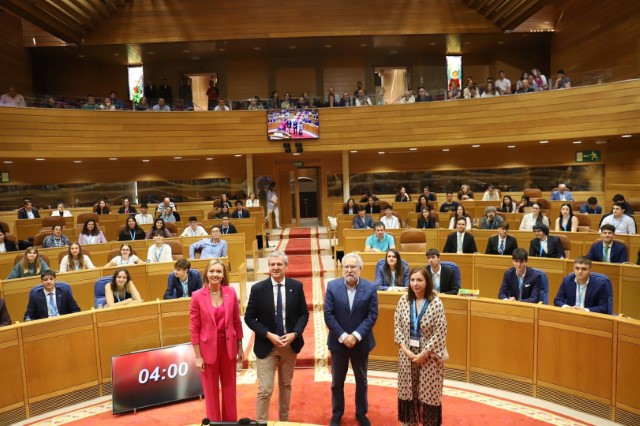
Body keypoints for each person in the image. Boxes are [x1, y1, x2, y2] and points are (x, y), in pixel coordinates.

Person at [244, 252, 309, 422]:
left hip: (290, 345)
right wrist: (268, 334)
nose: (275, 267)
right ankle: (261, 423)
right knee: (265, 389)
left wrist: (295, 334)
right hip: (267, 345)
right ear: (269, 267)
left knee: (286, 385)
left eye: (279, 264)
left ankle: (283, 422)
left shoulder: (296, 286)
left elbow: (303, 314)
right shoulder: (258, 289)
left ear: (286, 266)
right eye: (272, 264)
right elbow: (249, 317)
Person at [324, 253, 378, 426]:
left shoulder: (370, 288)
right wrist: (343, 336)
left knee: (361, 380)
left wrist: (355, 335)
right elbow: (328, 315)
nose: (349, 270)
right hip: (338, 343)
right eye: (346, 267)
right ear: (342, 268)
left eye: (353, 267)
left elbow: (372, 315)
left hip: (360, 343)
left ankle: (361, 412)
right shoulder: (332, 286)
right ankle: (337, 413)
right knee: (337, 382)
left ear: (360, 269)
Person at [190, 259, 244, 421]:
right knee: (211, 393)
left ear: (223, 275)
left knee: (229, 390)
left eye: (219, 272)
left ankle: (230, 423)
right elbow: (194, 328)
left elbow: (236, 321)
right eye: (212, 271)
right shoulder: (197, 296)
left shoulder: (231, 292)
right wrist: (198, 356)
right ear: (206, 274)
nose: (215, 274)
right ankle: (215, 423)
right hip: (207, 350)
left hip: (228, 347)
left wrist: (240, 347)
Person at [394, 267, 447, 426]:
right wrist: (405, 349)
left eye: (419, 280)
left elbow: (440, 331)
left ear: (427, 282)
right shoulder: (404, 300)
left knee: (428, 395)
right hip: (407, 355)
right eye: (412, 280)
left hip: (429, 357)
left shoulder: (436, 302)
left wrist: (424, 353)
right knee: (409, 392)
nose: (415, 284)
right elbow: (397, 326)